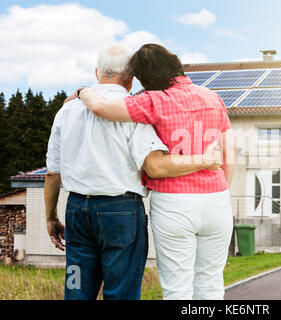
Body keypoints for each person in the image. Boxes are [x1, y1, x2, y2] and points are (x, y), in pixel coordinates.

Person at [45, 44, 222, 300]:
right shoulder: (134, 109)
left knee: (76, 287)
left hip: (76, 213)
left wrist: (51, 217)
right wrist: (204, 160)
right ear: (131, 77)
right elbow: (154, 164)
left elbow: (52, 173)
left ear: (97, 72)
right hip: (122, 213)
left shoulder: (66, 110)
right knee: (122, 292)